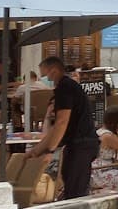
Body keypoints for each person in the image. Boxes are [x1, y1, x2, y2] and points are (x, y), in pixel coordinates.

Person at [29, 56, 99, 200]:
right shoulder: (66, 87)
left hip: (82, 144)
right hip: (77, 144)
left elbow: (62, 122)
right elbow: (56, 128)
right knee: (70, 187)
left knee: (75, 193)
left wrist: (49, 150)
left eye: (45, 74)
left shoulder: (64, 88)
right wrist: (38, 150)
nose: (44, 79)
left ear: (53, 71)